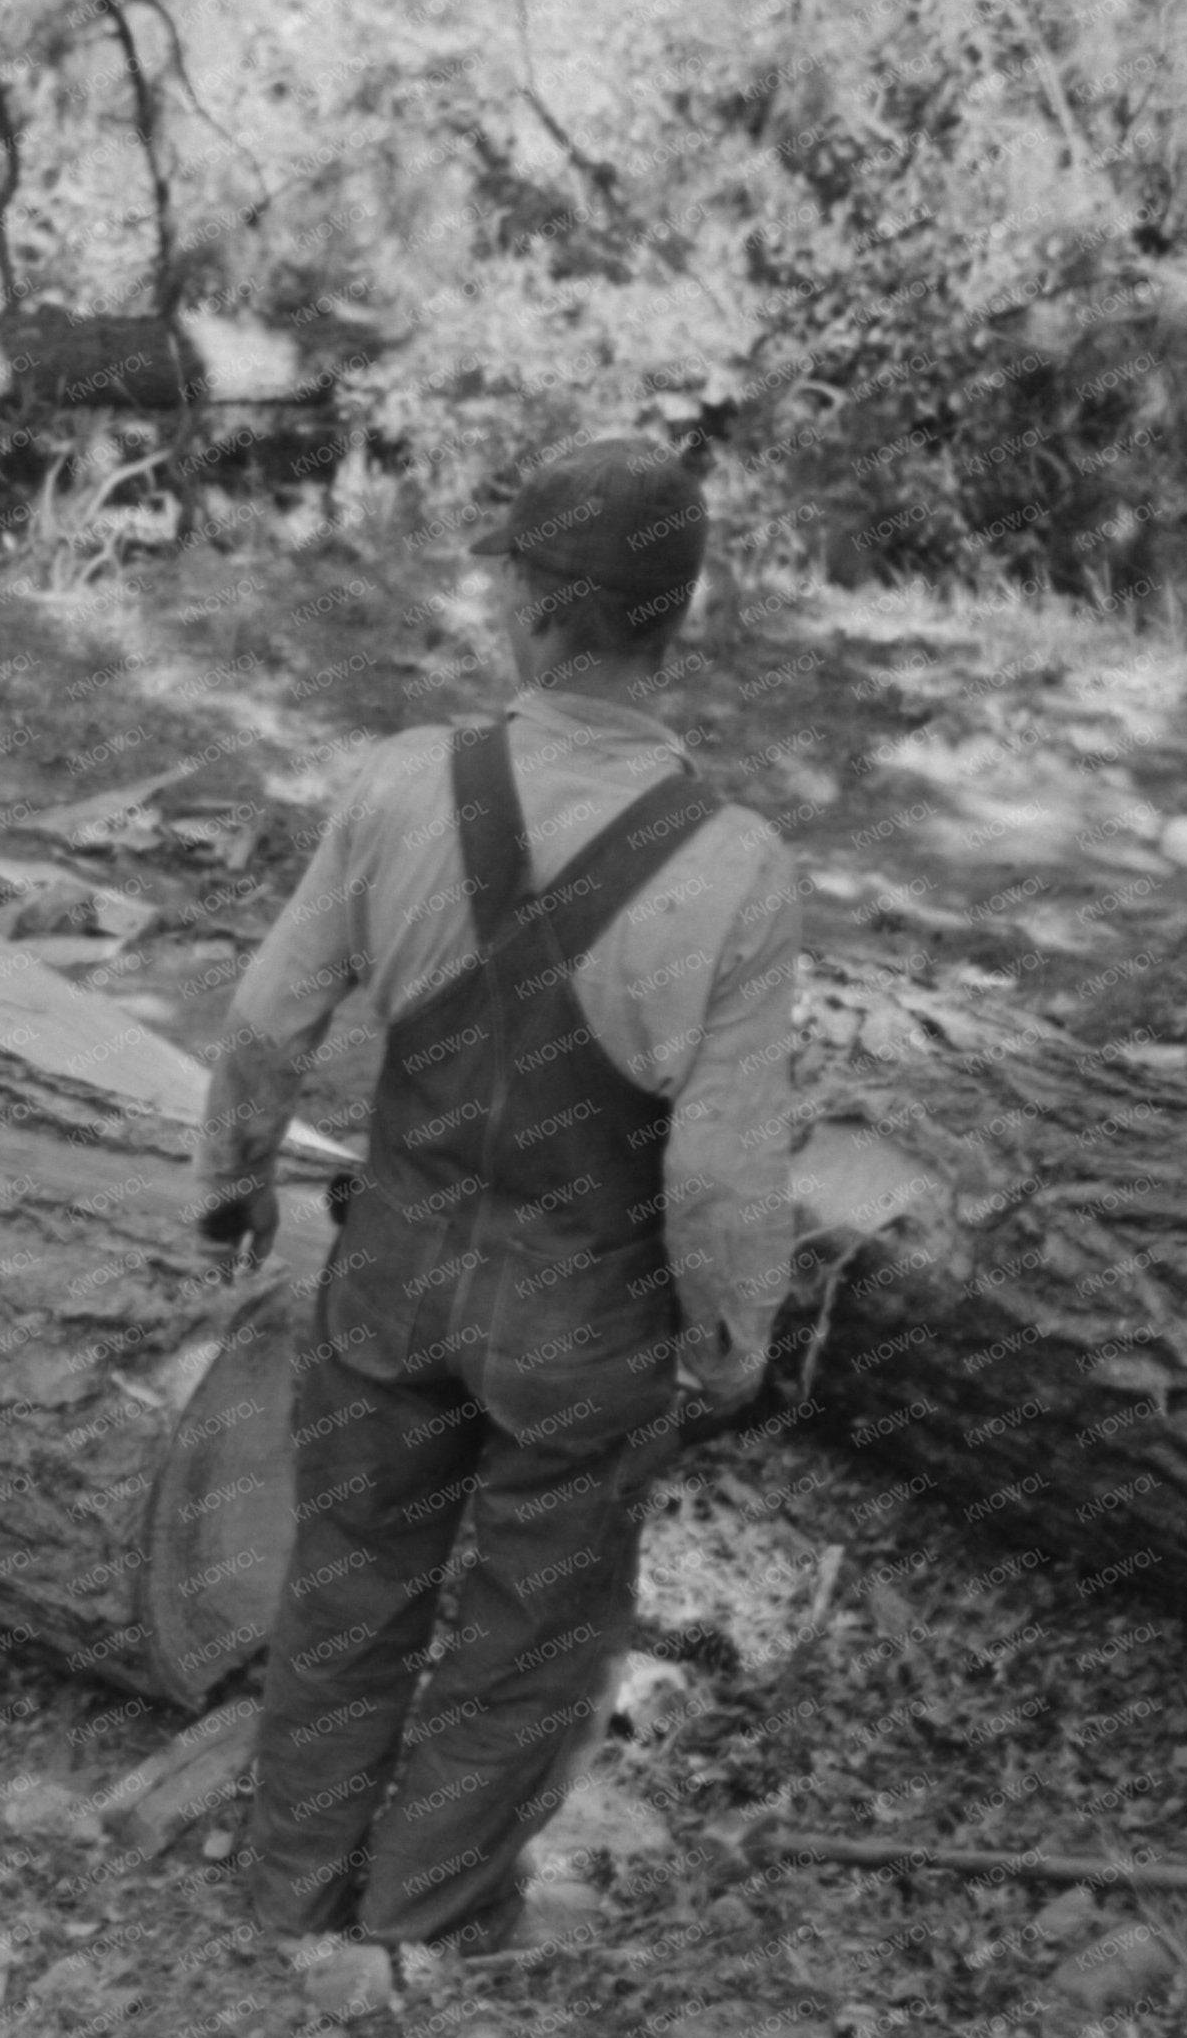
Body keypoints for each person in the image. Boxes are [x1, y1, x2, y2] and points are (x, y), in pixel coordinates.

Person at [191, 437, 802, 1956]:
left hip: (391, 1276)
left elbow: (269, 1022)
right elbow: (722, 1173)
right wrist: (734, 1329)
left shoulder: (400, 785)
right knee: (530, 1634)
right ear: (677, 617)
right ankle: (427, 1924)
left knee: (346, 1583)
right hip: (578, 1322)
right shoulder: (733, 869)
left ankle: (289, 1897)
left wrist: (235, 1178)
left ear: (527, 607)